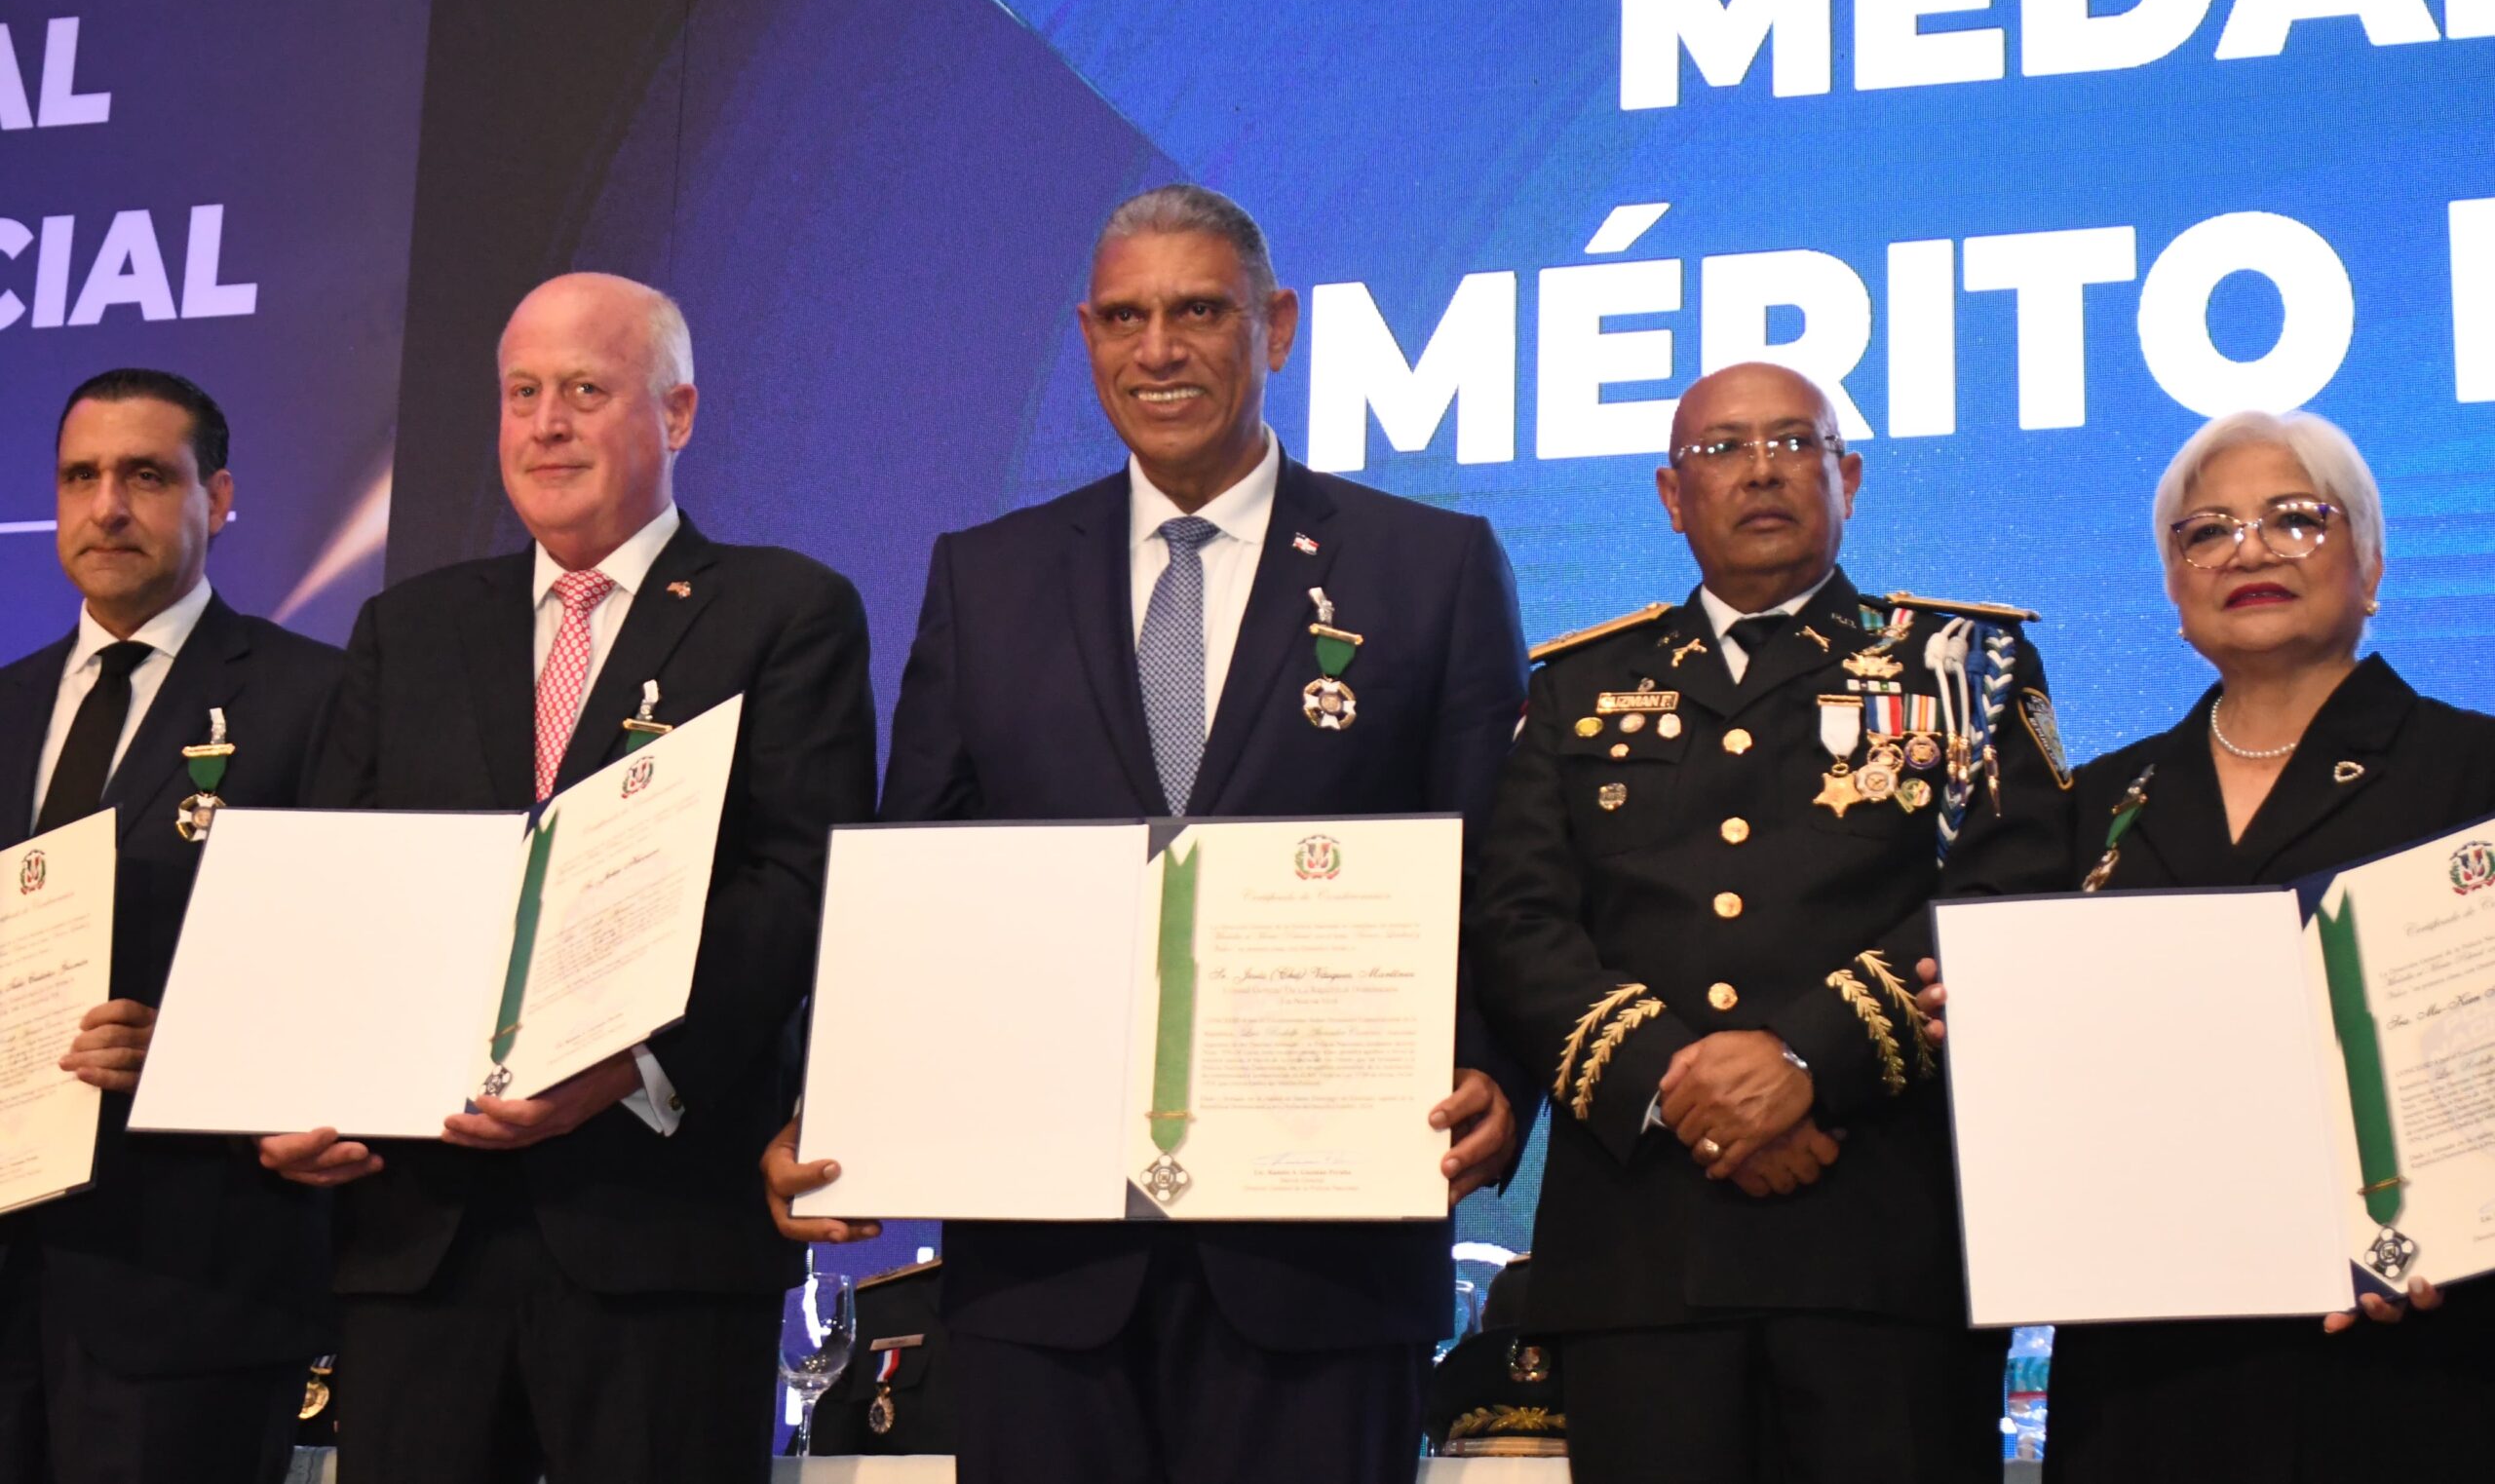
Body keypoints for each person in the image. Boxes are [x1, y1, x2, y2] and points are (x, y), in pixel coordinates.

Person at [766, 184, 1534, 1484]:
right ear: (1087, 335)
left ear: (1275, 327)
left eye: (1199, 312)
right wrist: (833, 1098)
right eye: (1125, 317)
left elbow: (1496, 867)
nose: (1158, 350)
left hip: (1322, 1256)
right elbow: (917, 878)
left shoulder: (1430, 567)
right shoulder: (987, 575)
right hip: (1042, 1261)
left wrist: (1495, 1071)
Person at [257, 273, 877, 1484]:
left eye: (586, 390)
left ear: (676, 412)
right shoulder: (408, 627)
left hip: (659, 1225)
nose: (546, 424)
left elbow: (793, 880)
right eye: (522, 392)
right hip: (418, 1235)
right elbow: (337, 885)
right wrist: (292, 1086)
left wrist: (624, 1066)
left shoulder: (784, 610)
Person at [1464, 361, 2075, 1483]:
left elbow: (2013, 887)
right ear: (1670, 494)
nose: (1759, 469)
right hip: (1640, 1252)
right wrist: (1677, 1086)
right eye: (1721, 448)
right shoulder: (1575, 685)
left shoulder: (1964, 668)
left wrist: (1805, 1058)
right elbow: (1516, 918)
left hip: (1882, 1241)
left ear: (1848, 478)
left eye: (1794, 442)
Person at [2027, 409, 2495, 1482]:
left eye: (2295, 519)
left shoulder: (2473, 772)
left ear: (2372, 565)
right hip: (2146, 1362)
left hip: (2415, 1348)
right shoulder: (2092, 800)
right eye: (2207, 532)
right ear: (2172, 585)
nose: (2248, 550)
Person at [0, 369, 340, 1484]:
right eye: (81, 476)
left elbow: (354, 962)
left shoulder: (315, 697)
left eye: (146, 475)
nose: (107, 507)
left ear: (219, 497)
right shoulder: (6, 705)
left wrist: (190, 1049)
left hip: (191, 1284)